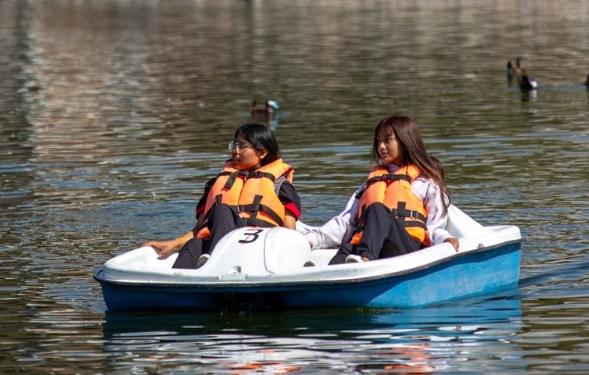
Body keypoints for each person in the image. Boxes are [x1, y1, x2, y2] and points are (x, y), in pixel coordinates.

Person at [144, 123, 301, 270]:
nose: (235, 151)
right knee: (195, 243)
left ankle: (214, 263)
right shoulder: (216, 184)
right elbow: (199, 229)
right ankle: (174, 287)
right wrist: (172, 244)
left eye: (242, 146)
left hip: (259, 248)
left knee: (222, 210)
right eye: (234, 145)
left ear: (262, 153)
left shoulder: (280, 186)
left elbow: (290, 232)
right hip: (219, 248)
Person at [305, 114, 459, 265]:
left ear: (405, 141)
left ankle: (365, 259)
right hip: (369, 246)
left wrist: (444, 239)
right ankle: (321, 273)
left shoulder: (425, 183)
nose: (381, 147)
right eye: (378, 141)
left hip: (408, 250)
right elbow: (345, 223)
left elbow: (435, 226)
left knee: (377, 209)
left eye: (387, 140)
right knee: (347, 248)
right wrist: (311, 239)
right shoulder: (369, 185)